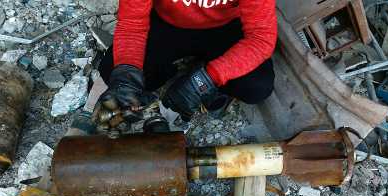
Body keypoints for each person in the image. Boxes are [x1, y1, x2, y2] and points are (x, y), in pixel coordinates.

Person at [99, 0, 277, 122]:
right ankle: (177, 73)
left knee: (256, 87)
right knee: (116, 73)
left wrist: (210, 77)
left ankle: (202, 73)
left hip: (225, 27)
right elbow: (132, 23)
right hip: (168, 23)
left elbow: (261, 37)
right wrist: (127, 78)